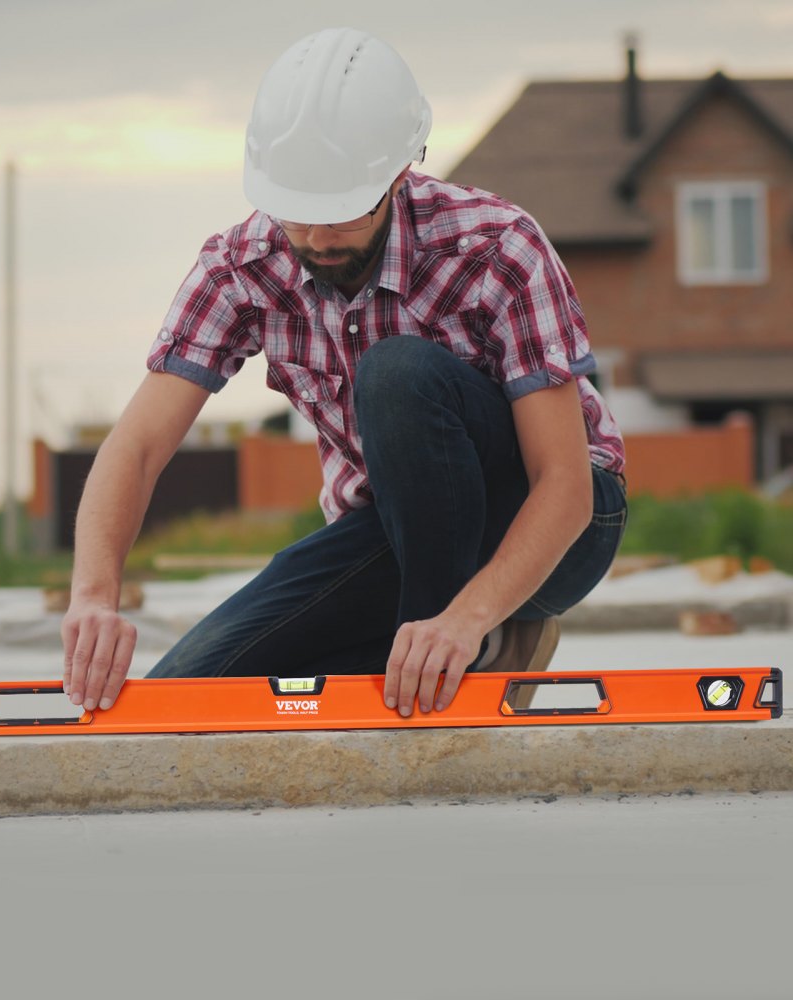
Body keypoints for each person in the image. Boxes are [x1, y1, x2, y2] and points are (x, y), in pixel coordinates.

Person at [61, 27, 627, 719]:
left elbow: (564, 484)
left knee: (397, 375)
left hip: (558, 524)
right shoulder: (241, 267)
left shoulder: (496, 246)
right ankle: (430, 648)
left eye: (345, 214)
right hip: (394, 530)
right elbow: (138, 447)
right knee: (188, 698)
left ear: (398, 173)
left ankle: (467, 640)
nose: (320, 240)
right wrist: (93, 596)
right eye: (301, 215)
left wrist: (463, 619)